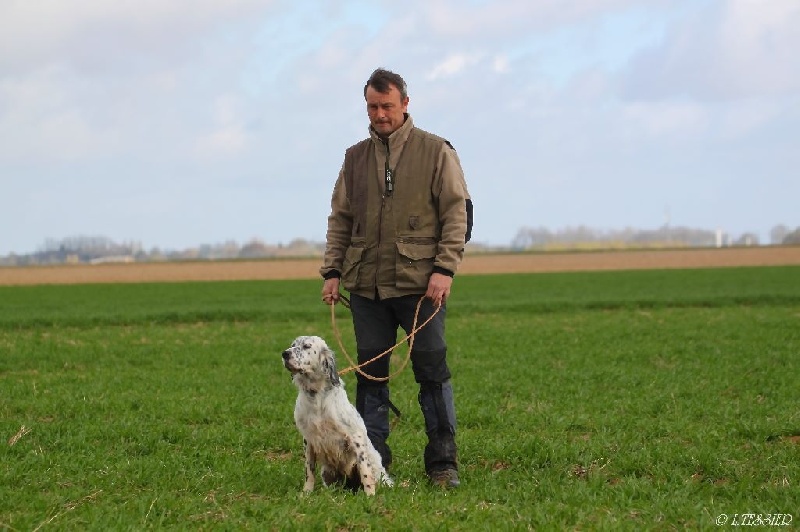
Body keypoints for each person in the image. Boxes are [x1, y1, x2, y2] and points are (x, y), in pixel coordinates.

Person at [320, 68, 473, 489]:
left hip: (421, 287)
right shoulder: (354, 158)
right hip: (366, 287)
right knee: (371, 377)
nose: (380, 114)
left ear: (405, 103)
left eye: (387, 105)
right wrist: (332, 270)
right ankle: (372, 464)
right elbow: (340, 220)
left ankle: (443, 465)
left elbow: (457, 213)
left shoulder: (435, 150)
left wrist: (444, 269)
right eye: (373, 106)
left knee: (432, 371)